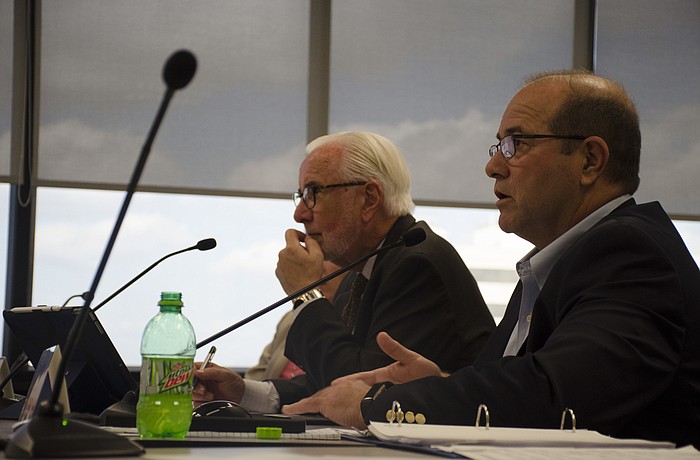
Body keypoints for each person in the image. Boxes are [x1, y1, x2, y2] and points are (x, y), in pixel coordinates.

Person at [281, 71, 700, 448]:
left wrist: (378, 402)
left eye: (516, 144)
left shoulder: (631, 253)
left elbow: (556, 396)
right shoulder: (551, 267)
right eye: (499, 146)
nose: (493, 166)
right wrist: (440, 383)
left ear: (589, 160)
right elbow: (514, 388)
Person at [194, 131, 495, 412]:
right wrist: (243, 392)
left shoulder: (417, 264)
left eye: (313, 192)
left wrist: (306, 293)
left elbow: (360, 390)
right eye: (301, 196)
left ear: (369, 199)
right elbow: (327, 384)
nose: (299, 213)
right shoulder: (361, 271)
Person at [244, 261, 346, 381]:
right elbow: (260, 373)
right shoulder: (291, 319)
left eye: (327, 258)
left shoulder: (354, 320)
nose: (318, 266)